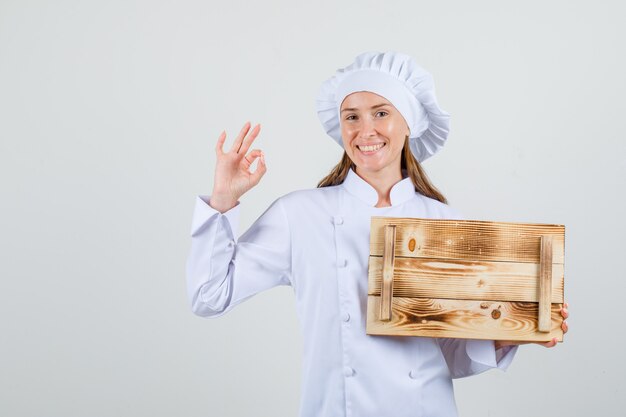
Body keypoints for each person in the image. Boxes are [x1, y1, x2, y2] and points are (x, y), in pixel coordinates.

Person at [186, 51, 569, 417]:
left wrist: (516, 329)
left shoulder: (444, 222)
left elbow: (449, 354)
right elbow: (209, 295)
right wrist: (223, 200)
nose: (364, 130)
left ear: (410, 123)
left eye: (380, 113)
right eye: (351, 117)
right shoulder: (300, 215)